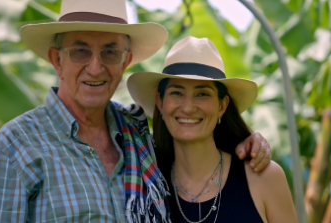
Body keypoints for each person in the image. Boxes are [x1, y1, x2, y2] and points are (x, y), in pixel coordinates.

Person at [0, 0, 273, 222]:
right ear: (57, 59)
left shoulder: (137, 133)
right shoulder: (16, 145)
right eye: (80, 51)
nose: (95, 67)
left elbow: (194, 144)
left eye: (109, 51)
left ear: (126, 60)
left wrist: (244, 142)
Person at [127, 36, 298, 222]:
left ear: (222, 106)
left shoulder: (265, 178)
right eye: (177, 93)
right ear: (160, 102)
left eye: (202, 94)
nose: (188, 107)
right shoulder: (145, 185)